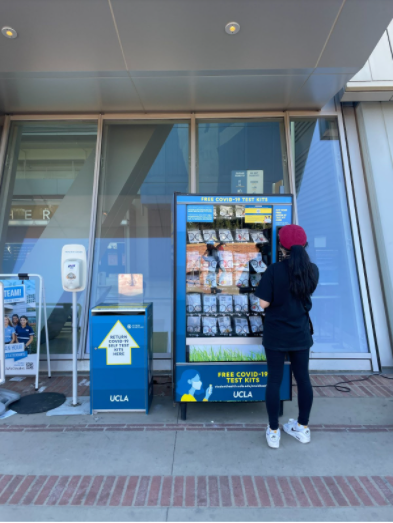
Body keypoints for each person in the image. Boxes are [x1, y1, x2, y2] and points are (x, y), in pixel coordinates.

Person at [254, 224, 319, 449]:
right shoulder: (312, 270)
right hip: (300, 334)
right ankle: (303, 428)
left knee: (274, 380)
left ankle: (273, 431)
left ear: (281, 246)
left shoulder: (274, 270)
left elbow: (263, 303)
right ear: (305, 244)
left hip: (276, 334)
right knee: (303, 379)